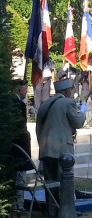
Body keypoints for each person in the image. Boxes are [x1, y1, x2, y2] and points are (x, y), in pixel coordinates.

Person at [36, 79, 86, 217]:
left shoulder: (45, 104)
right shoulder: (67, 102)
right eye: (71, 89)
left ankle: (52, 212)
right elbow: (78, 122)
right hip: (62, 149)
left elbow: (38, 128)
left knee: (50, 183)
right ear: (66, 91)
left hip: (46, 149)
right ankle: (66, 211)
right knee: (65, 183)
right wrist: (82, 110)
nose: (72, 92)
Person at [11, 79, 31, 211]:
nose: (26, 91)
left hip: (13, 146)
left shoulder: (9, 103)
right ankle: (19, 204)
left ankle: (14, 204)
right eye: (25, 88)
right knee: (20, 178)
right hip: (19, 147)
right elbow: (21, 127)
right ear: (19, 89)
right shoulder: (19, 105)